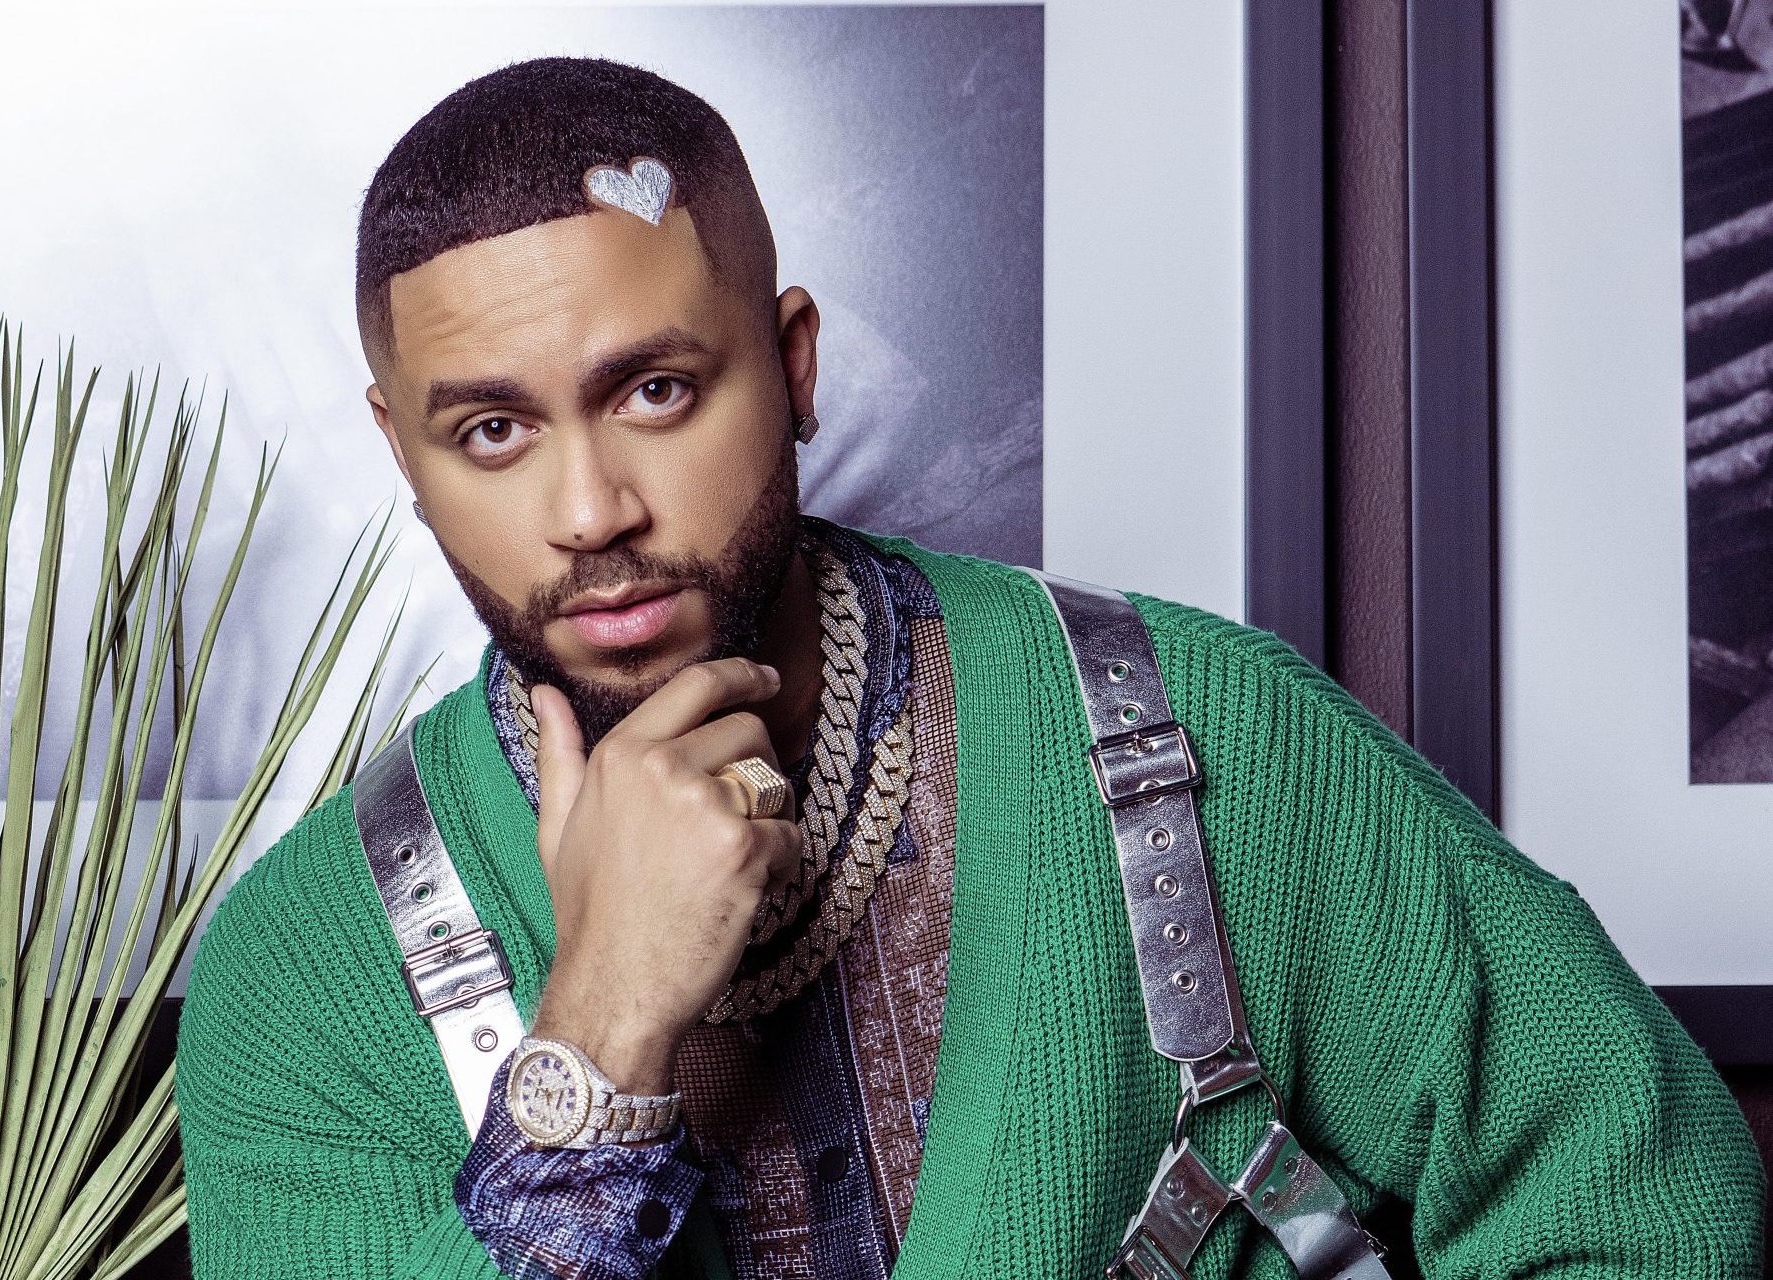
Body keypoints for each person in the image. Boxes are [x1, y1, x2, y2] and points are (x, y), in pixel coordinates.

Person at [174, 55, 1766, 1280]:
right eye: (493, 430)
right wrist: (601, 1031)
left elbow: (1647, 1213)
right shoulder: (304, 979)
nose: (591, 513)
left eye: (656, 391)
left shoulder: (1211, 739)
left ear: (794, 364)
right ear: (404, 452)